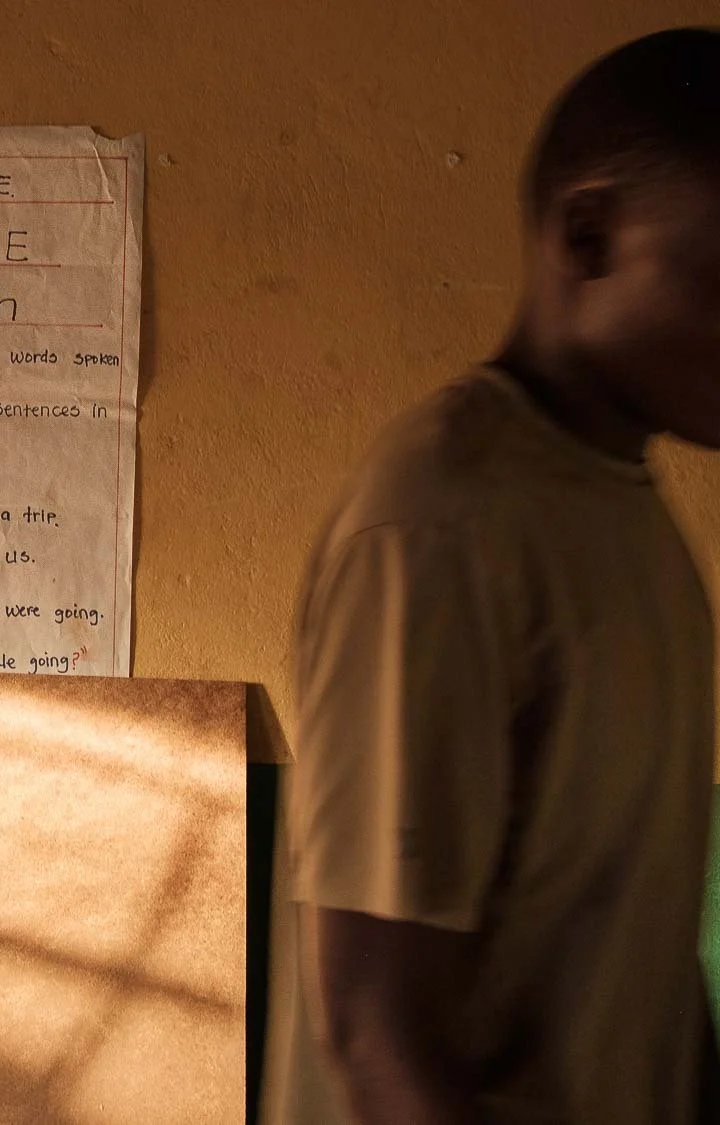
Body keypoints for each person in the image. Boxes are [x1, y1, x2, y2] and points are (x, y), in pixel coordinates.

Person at [268, 27, 720, 1125]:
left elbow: (637, 964)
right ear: (586, 233)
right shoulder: (440, 523)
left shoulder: (616, 507)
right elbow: (376, 1032)